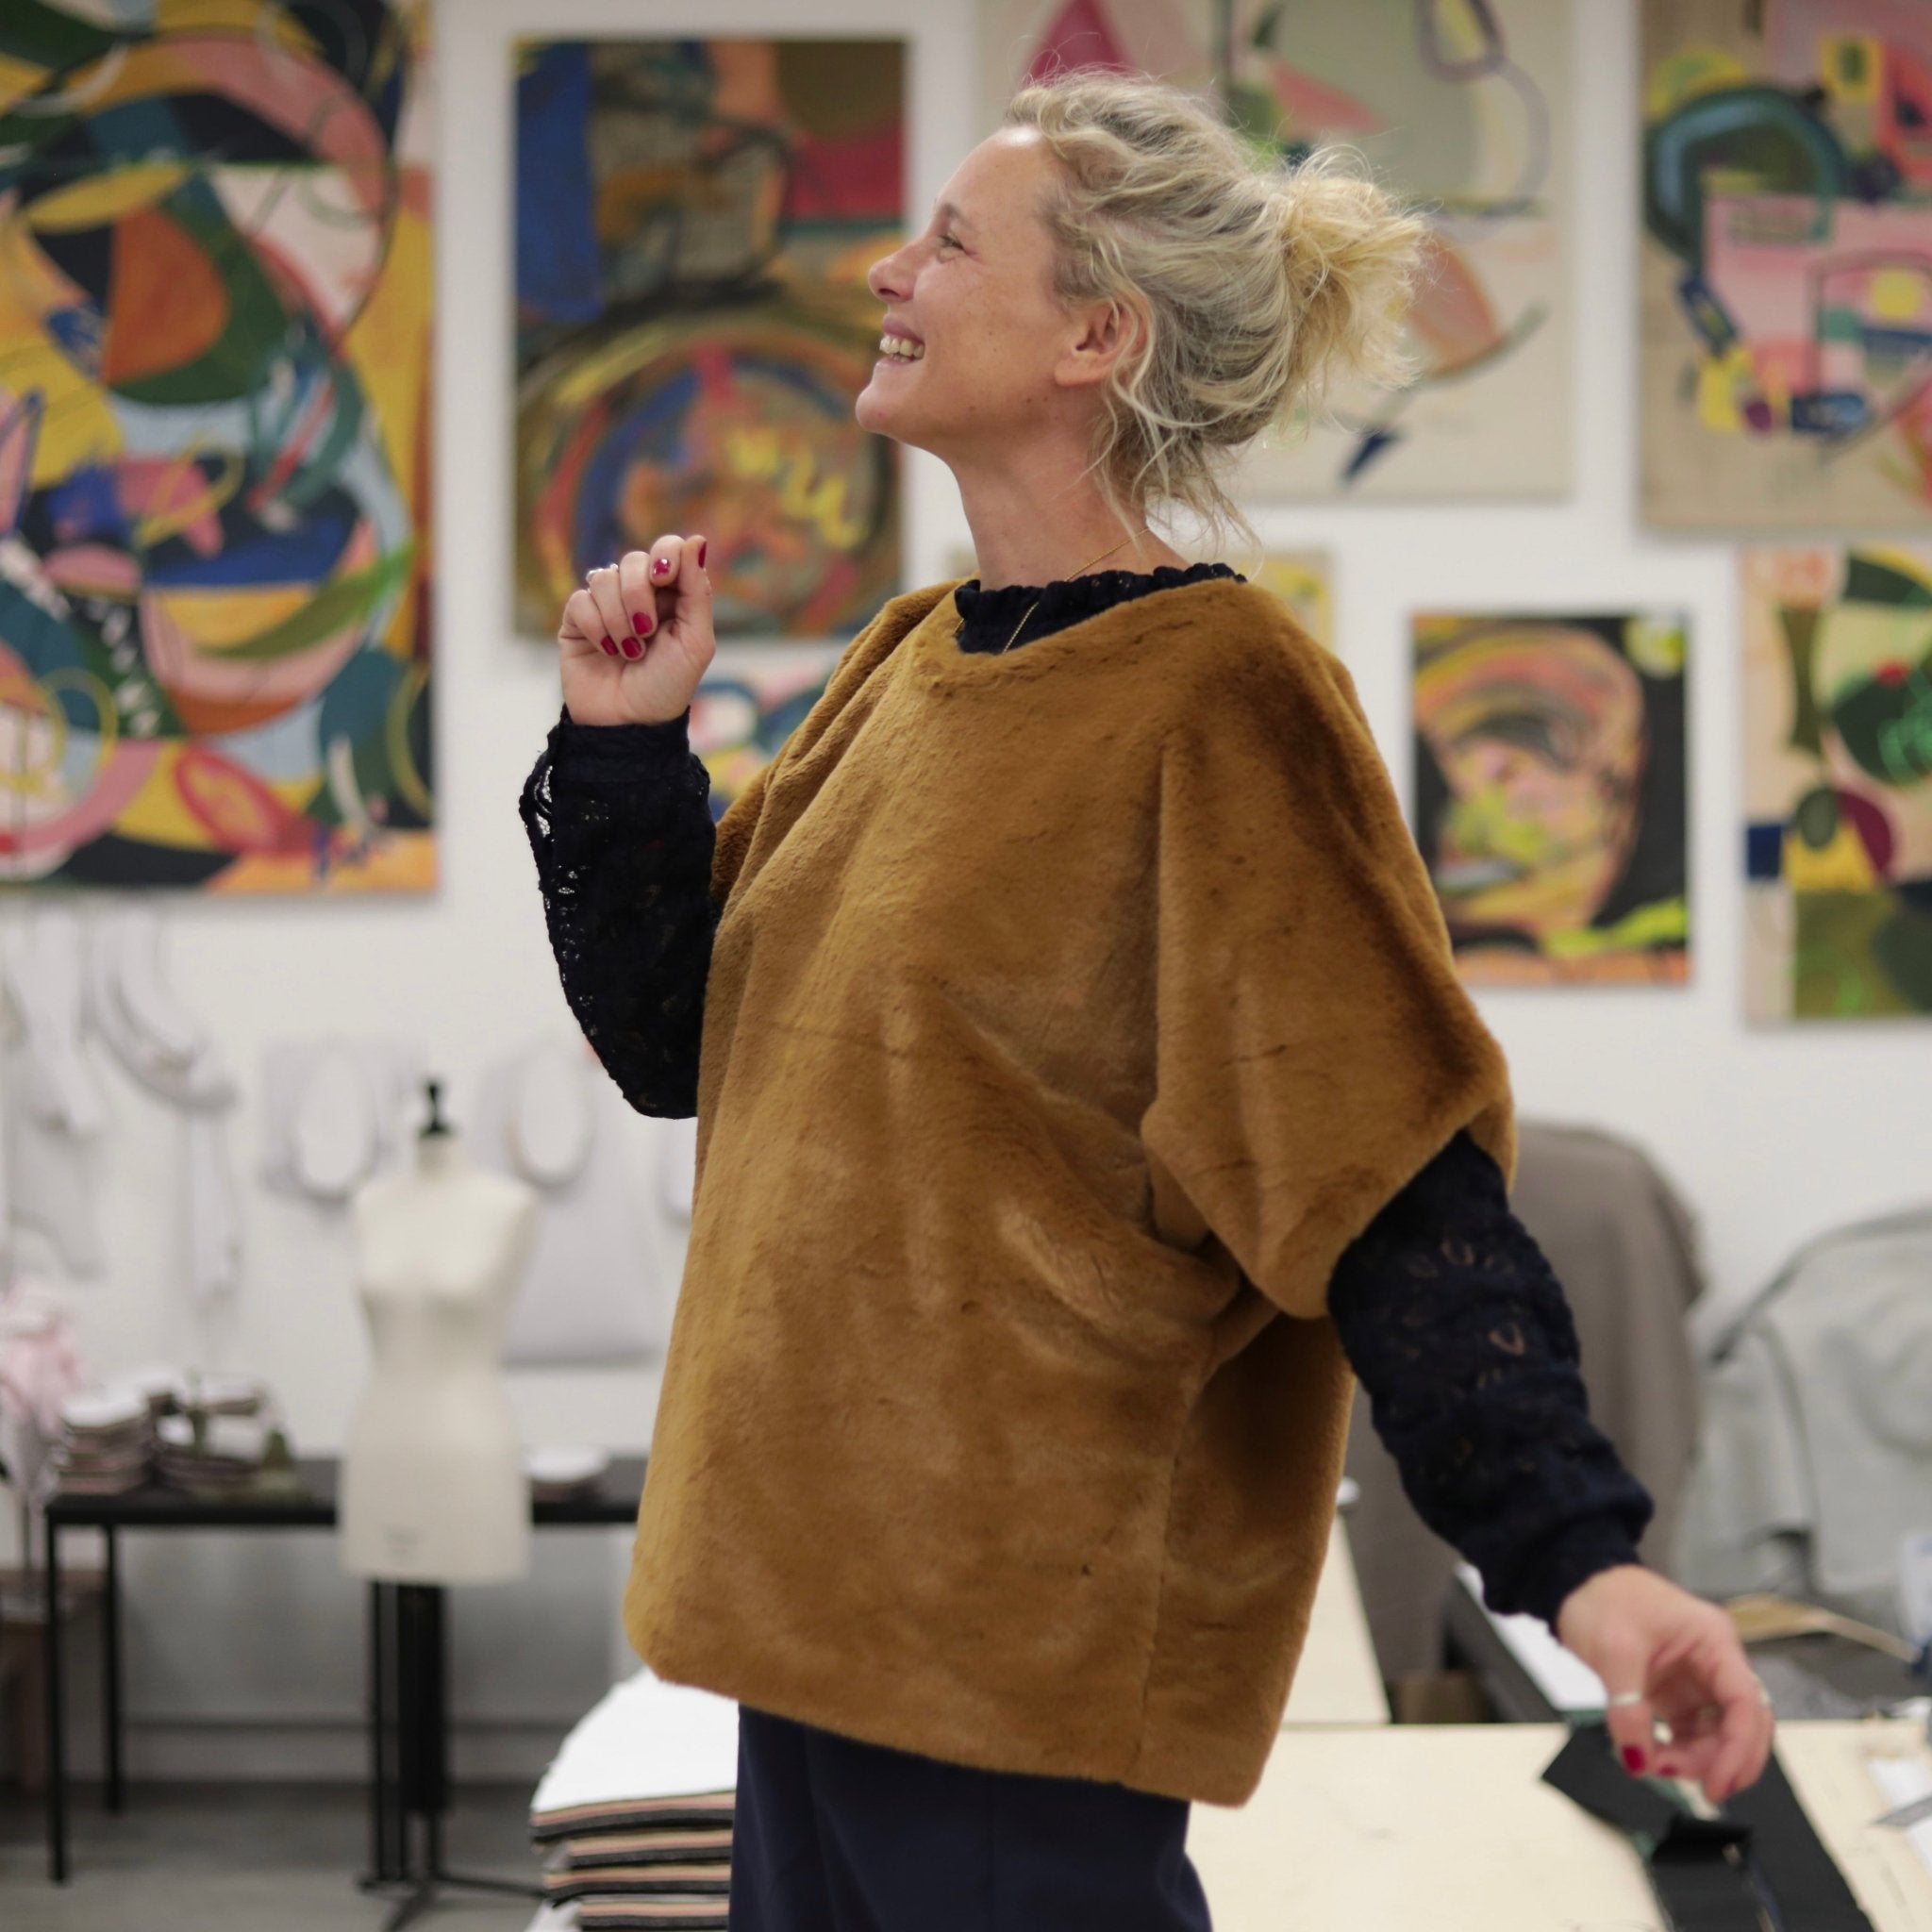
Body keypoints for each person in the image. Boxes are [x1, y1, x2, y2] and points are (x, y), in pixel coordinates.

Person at [522, 71, 1773, 1932]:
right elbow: (679, 1043)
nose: (886, 270)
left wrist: (1583, 1566)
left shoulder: (1226, 700)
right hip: (803, 1621)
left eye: (951, 242)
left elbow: (1384, 1178)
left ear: (1092, 336)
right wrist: (626, 749)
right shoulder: (907, 663)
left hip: (1013, 1654)